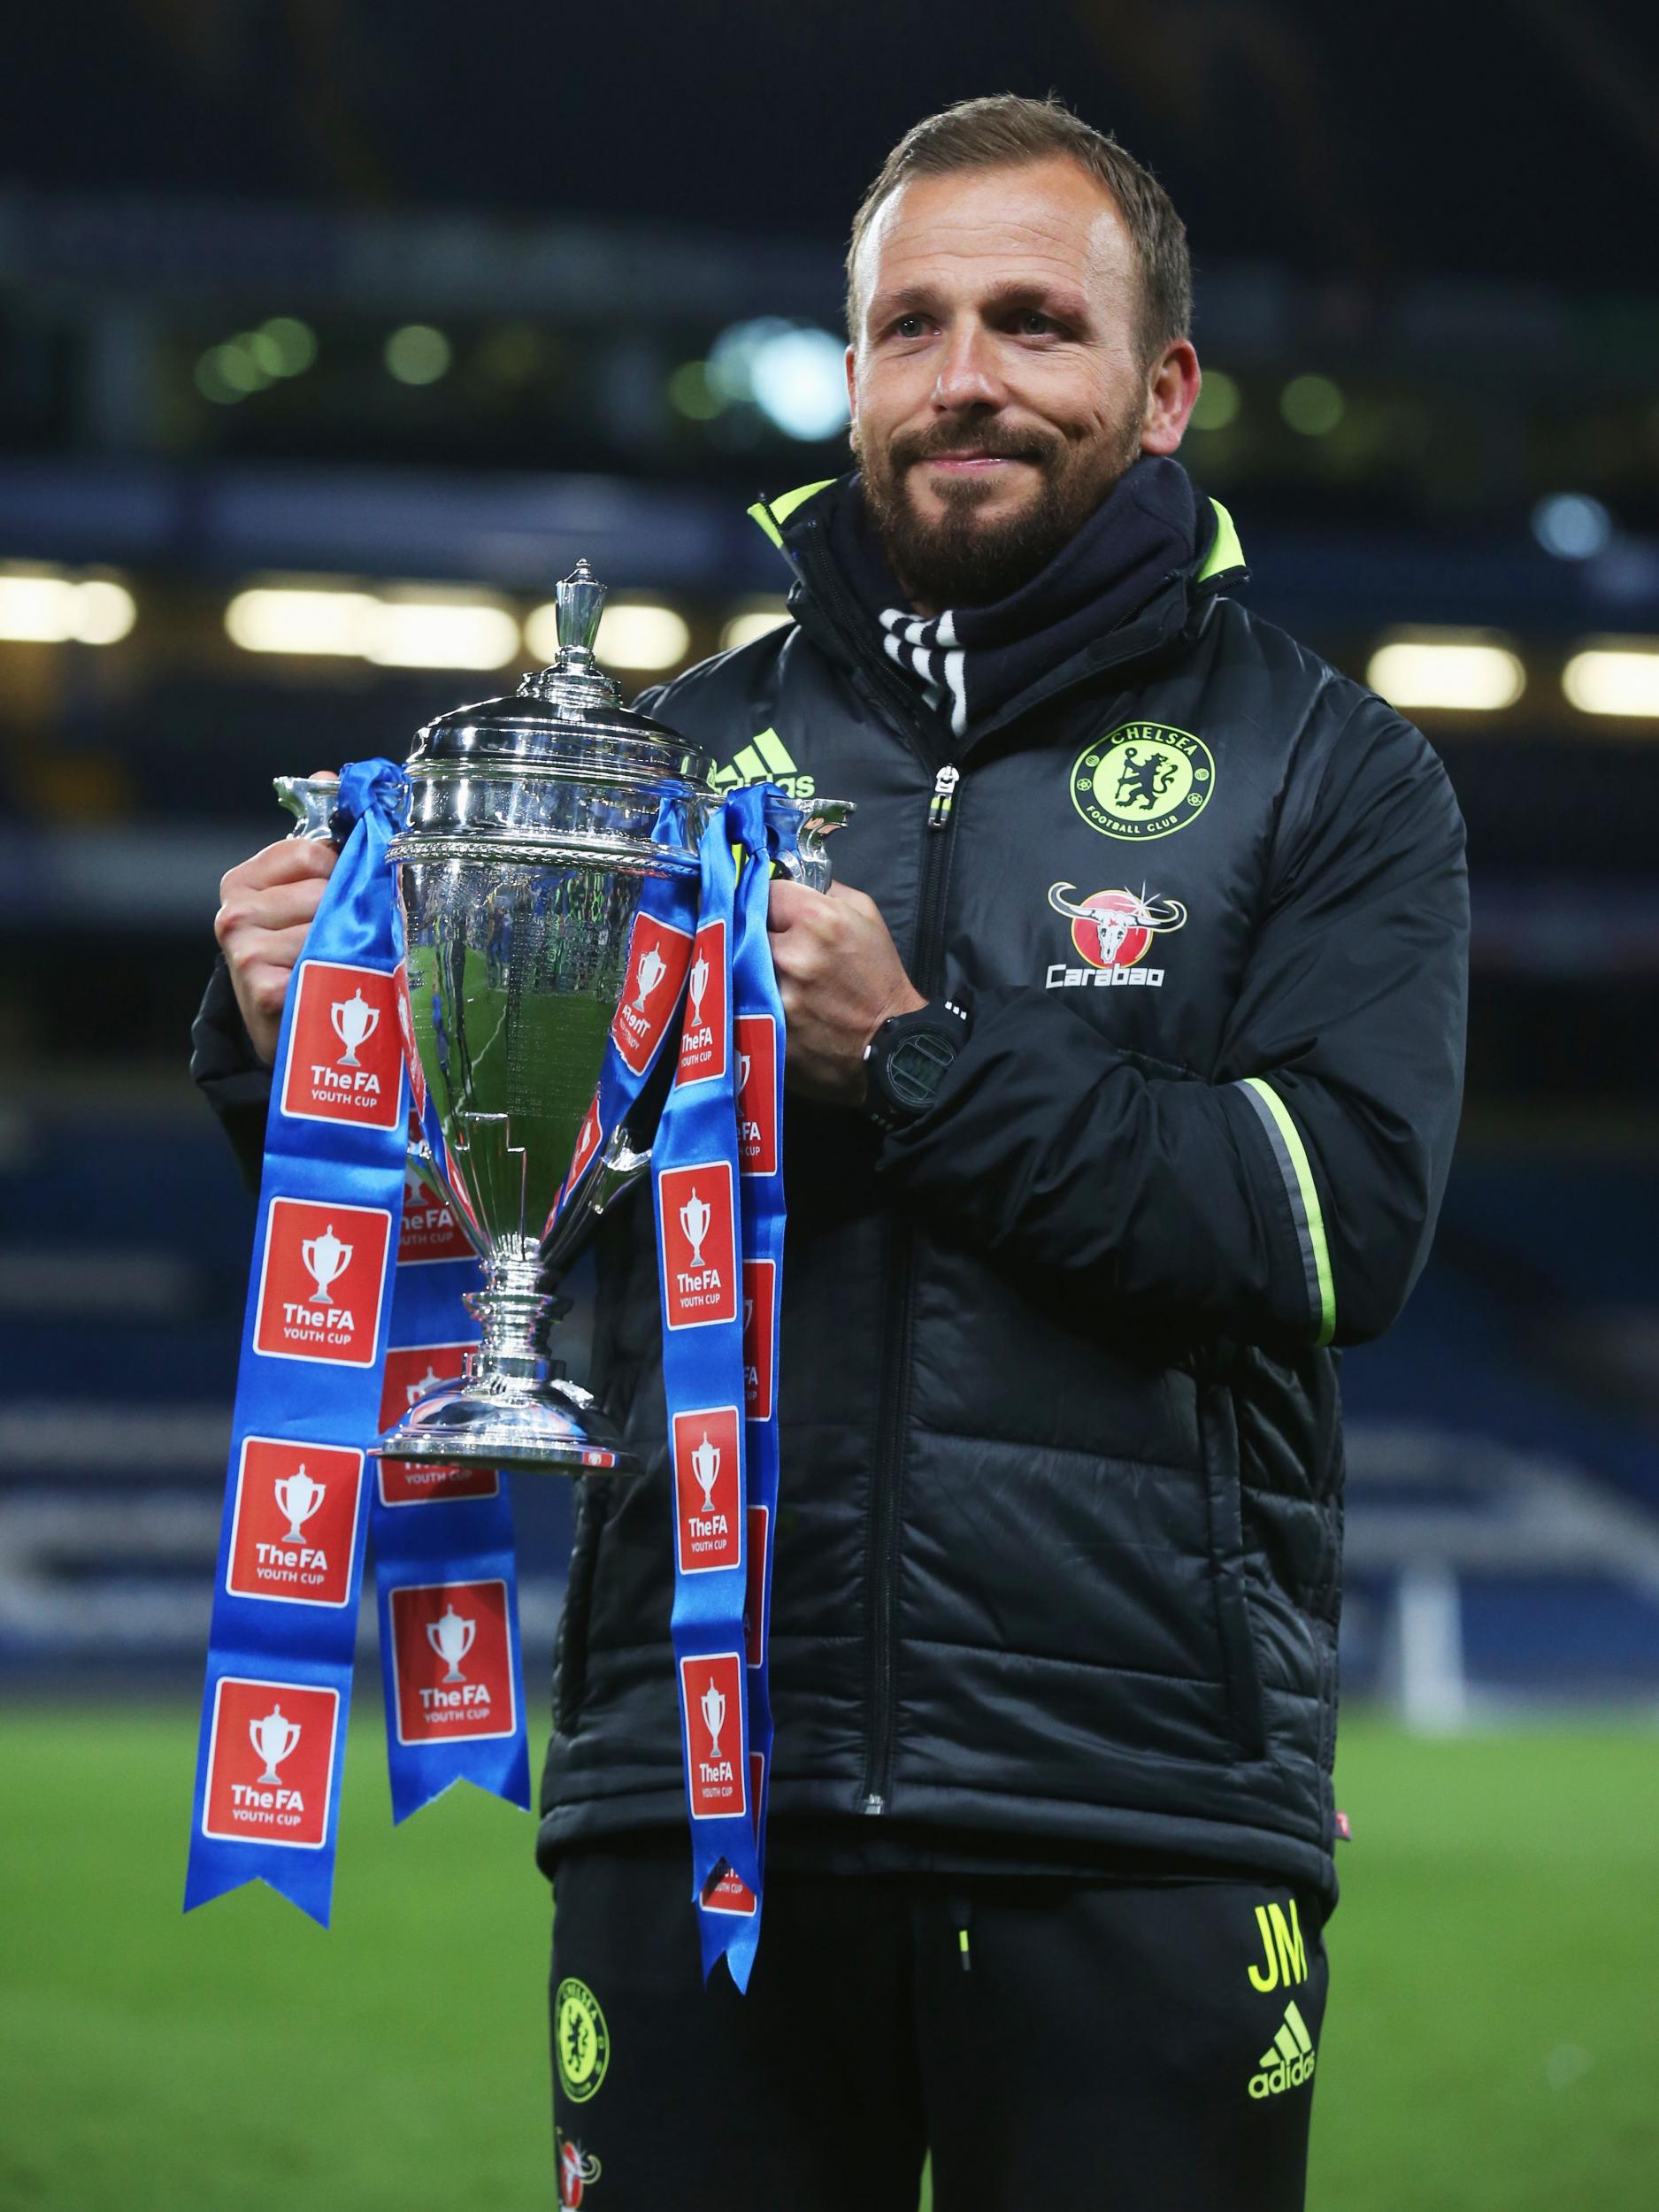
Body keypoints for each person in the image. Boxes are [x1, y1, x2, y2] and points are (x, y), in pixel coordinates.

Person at [196, 94, 1467, 2212]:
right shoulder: (668, 756)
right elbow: (516, 1226)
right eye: (910, 326)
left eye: (1032, 325)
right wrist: (306, 1056)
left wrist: (917, 1063)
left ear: (1158, 392)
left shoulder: (1329, 772)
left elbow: (1336, 1222)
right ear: (854, 366)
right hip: (688, 1795)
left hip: (1133, 1813)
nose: (963, 375)